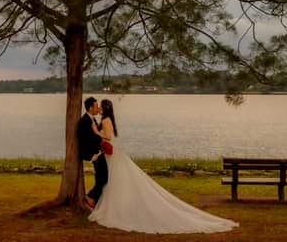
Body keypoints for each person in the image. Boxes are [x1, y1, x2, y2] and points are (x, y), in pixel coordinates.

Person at [88, 99, 238, 234]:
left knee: (114, 180)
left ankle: (109, 207)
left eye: (101, 106)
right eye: (98, 106)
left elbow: (109, 137)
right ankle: (108, 204)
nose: (99, 108)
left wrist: (97, 133)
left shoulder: (106, 120)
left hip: (112, 155)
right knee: (113, 181)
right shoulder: (107, 119)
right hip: (109, 155)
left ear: (105, 109)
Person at [76, 96, 108, 208]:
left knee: (103, 178)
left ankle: (93, 200)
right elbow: (83, 141)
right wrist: (90, 156)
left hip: (99, 153)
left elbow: (96, 135)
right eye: (96, 106)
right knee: (103, 178)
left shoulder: (92, 119)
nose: (98, 108)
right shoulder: (84, 121)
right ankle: (90, 198)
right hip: (95, 155)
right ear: (90, 108)